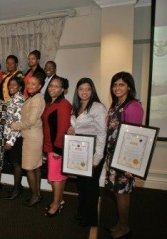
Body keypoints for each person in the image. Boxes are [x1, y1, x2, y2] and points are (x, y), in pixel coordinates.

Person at [104, 71, 144, 239]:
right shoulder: (115, 105)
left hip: (124, 158)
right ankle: (120, 224)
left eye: (121, 84)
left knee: (122, 194)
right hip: (112, 156)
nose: (117, 88)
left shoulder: (133, 106)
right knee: (116, 192)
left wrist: (130, 166)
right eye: (115, 85)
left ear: (129, 86)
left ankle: (125, 227)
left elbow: (135, 137)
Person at [67, 78, 107, 226]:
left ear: (92, 90)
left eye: (88, 89)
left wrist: (97, 158)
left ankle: (91, 218)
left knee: (90, 186)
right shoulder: (75, 107)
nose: (84, 92)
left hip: (94, 151)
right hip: (80, 151)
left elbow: (102, 133)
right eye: (81, 89)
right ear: (77, 91)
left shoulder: (98, 107)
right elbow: (77, 127)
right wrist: (71, 130)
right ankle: (82, 212)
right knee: (81, 185)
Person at [10, 72, 45, 207]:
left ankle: (35, 196)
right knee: (36, 167)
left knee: (29, 168)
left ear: (40, 86)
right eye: (29, 83)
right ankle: (37, 194)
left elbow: (30, 121)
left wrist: (13, 125)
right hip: (32, 135)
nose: (30, 86)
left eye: (33, 84)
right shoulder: (33, 97)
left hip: (32, 137)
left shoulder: (37, 99)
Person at [42, 76, 71, 217]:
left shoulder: (64, 104)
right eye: (50, 86)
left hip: (56, 148)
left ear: (63, 90)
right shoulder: (50, 103)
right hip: (49, 146)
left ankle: (56, 204)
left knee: (56, 178)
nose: (52, 88)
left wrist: (58, 150)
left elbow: (63, 128)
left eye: (56, 86)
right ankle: (60, 200)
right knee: (56, 176)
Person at [3, 76, 25, 200]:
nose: (11, 87)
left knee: (17, 164)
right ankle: (18, 186)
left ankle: (16, 189)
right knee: (14, 163)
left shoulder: (19, 101)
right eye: (10, 85)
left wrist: (10, 142)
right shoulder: (13, 99)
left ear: (20, 87)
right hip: (11, 137)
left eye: (14, 85)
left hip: (15, 139)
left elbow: (18, 123)